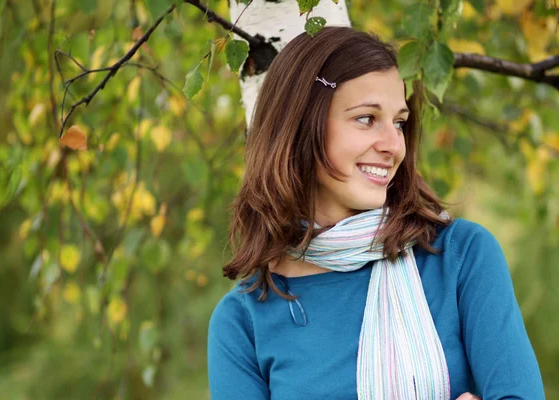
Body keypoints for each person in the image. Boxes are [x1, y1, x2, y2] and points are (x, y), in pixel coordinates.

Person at [207, 26, 545, 399]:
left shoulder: (460, 257)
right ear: (301, 127)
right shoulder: (242, 322)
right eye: (366, 118)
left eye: (399, 123)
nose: (392, 145)